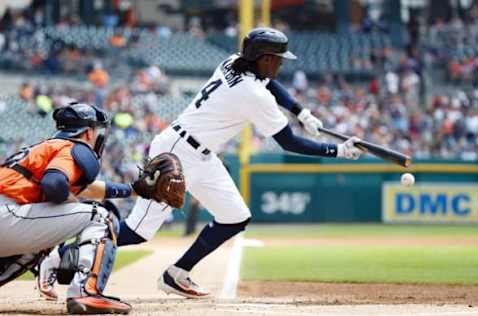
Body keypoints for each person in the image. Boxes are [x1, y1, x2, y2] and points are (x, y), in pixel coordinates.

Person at [40, 27, 364, 299]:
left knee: (236, 217)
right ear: (264, 59)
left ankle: (177, 273)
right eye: (277, 59)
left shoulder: (235, 63)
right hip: (177, 155)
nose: (280, 65)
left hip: (201, 153)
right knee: (138, 232)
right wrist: (338, 151)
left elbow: (272, 84)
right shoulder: (254, 94)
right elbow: (289, 142)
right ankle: (57, 257)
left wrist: (299, 109)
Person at [0, 102, 134, 314]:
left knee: (39, 245)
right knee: (100, 216)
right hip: (6, 216)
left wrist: (132, 190)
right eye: (96, 130)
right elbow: (54, 185)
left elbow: (84, 189)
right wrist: (74, 205)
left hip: (8, 215)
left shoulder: (46, 147)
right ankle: (85, 291)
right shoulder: (70, 147)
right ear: (89, 132)